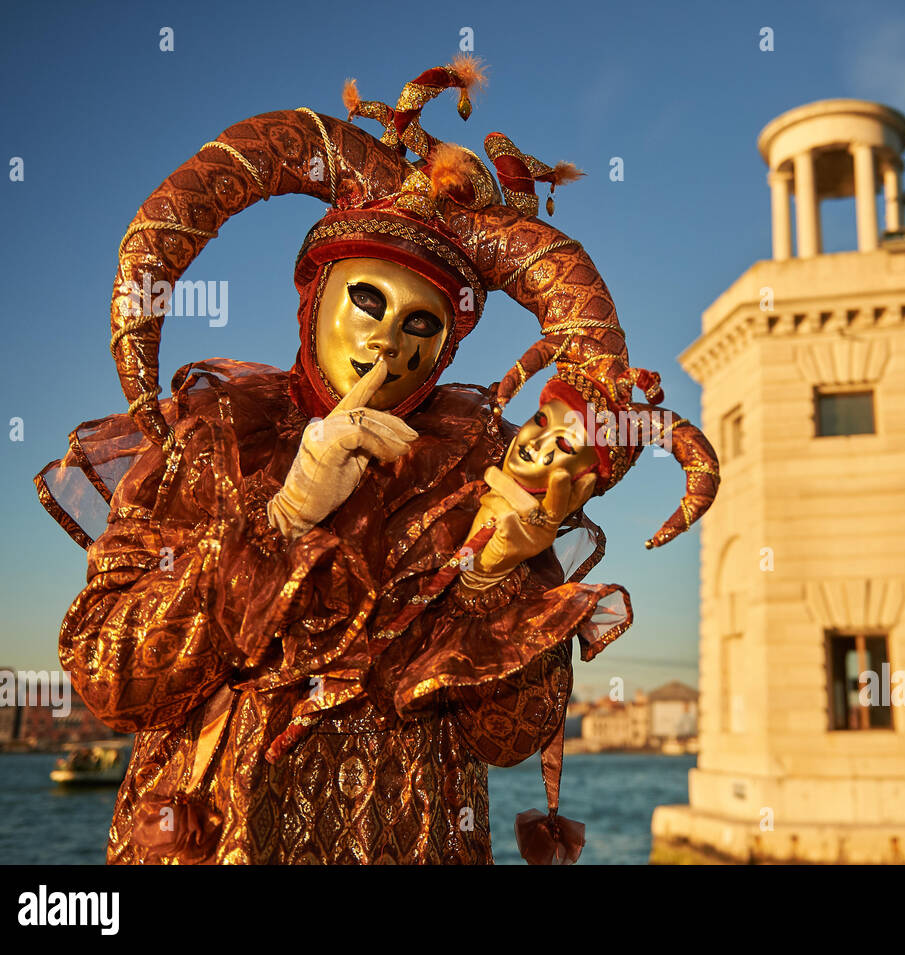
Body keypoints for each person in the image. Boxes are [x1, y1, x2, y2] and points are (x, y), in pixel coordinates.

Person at [35, 59, 718, 864]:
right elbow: (109, 674)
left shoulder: (481, 474)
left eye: (422, 324)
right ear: (316, 296)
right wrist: (281, 518)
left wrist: (489, 576)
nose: (390, 339)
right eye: (368, 300)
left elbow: (509, 735)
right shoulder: (209, 439)